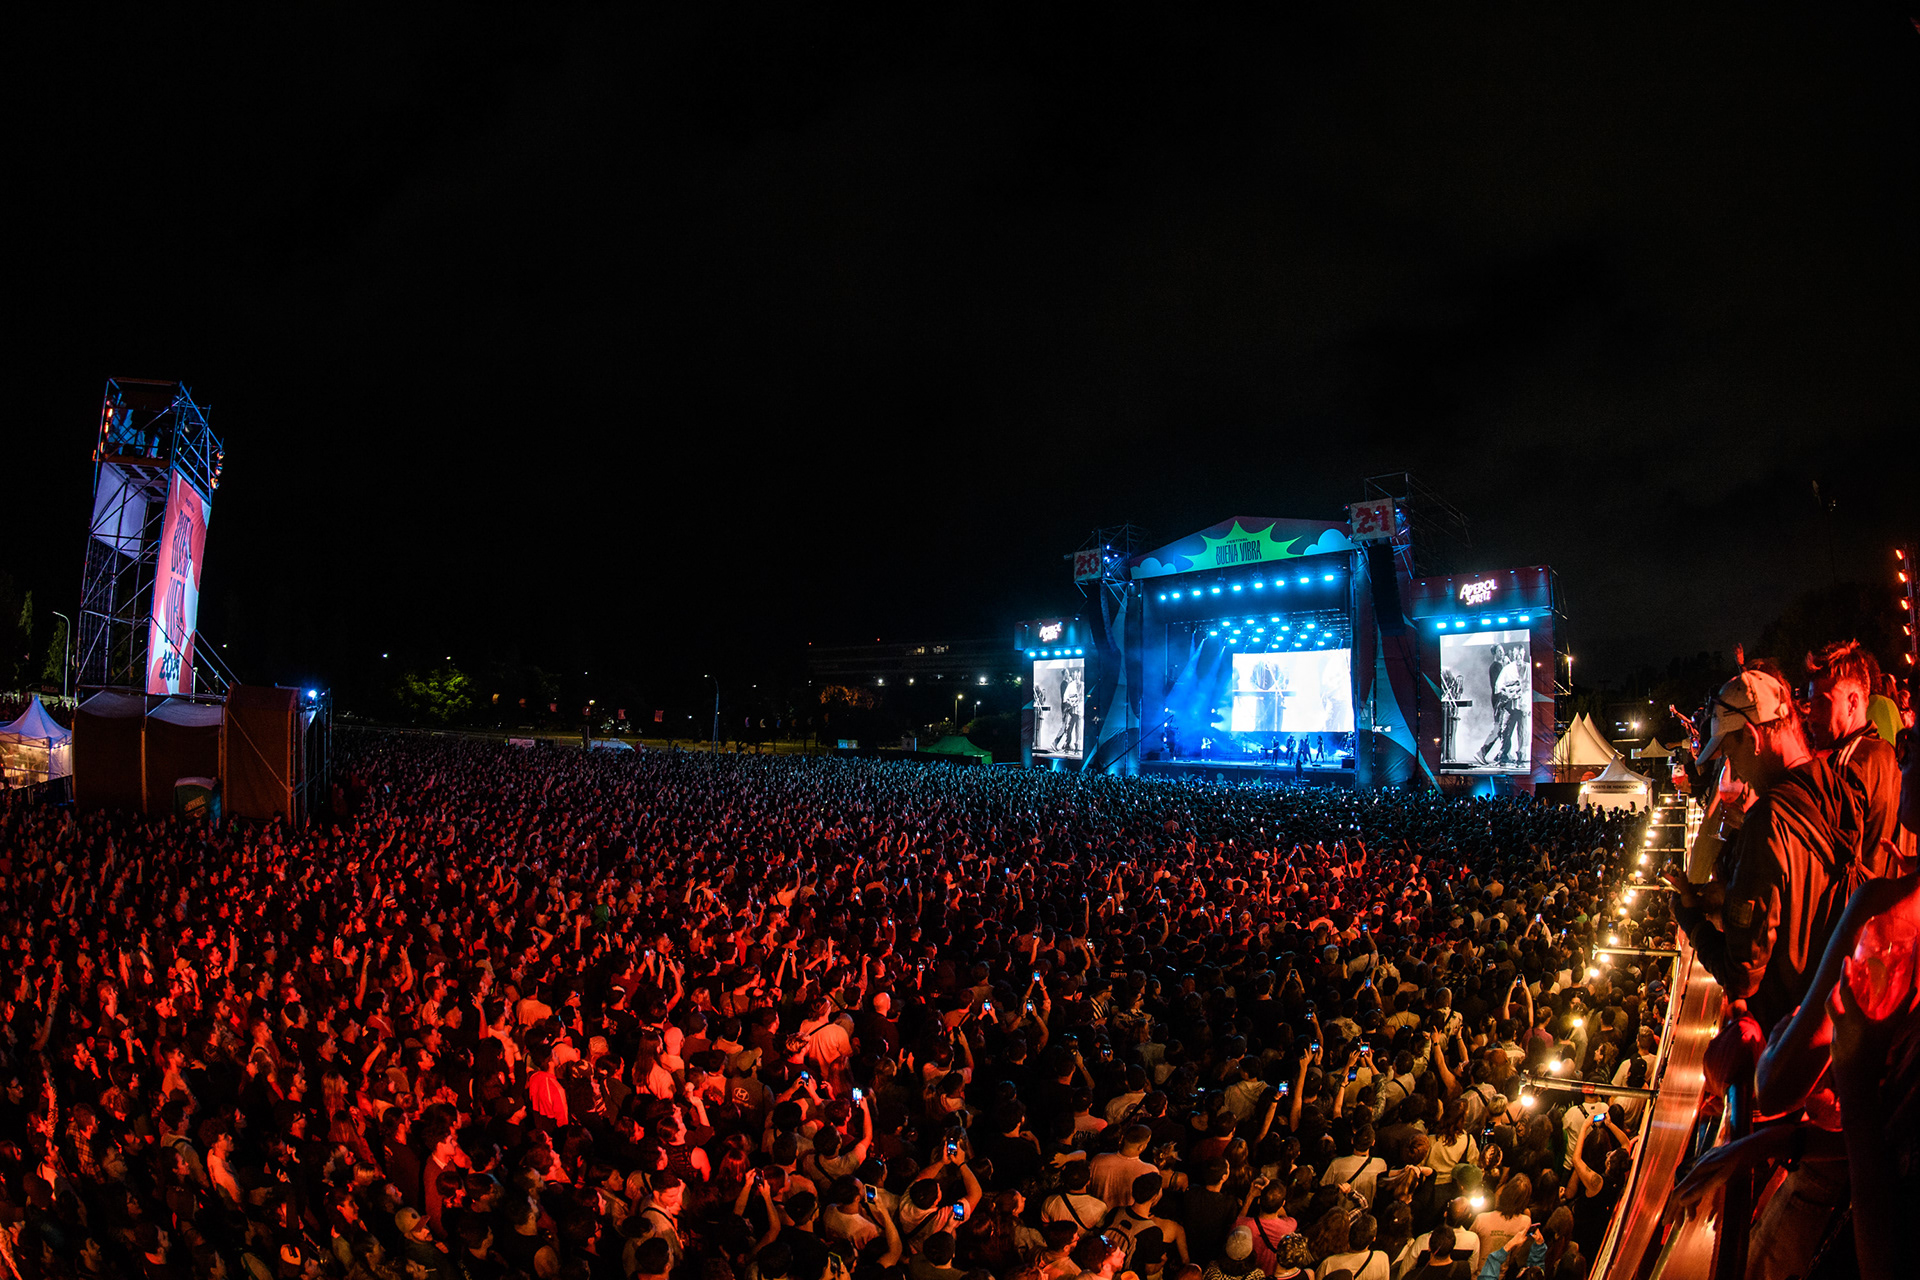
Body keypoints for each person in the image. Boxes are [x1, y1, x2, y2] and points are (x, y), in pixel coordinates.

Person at [1665, 663, 1869, 1032]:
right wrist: (1729, 894)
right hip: (1836, 1016)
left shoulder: (1768, 821)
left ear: (1752, 736)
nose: (1735, 770)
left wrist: (1692, 920)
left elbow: (1742, 973)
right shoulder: (1837, 785)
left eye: (1731, 753)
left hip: (1789, 1026)